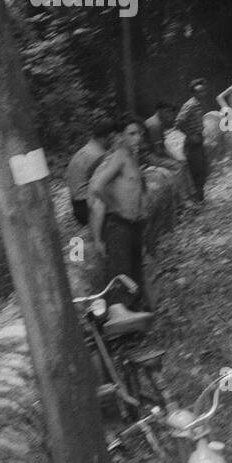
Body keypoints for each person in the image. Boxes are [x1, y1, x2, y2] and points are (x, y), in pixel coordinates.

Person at [89, 117, 154, 317]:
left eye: (140, 134)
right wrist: (115, 207)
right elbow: (97, 187)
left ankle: (134, 317)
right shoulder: (119, 156)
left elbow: (138, 192)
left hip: (134, 225)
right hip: (119, 224)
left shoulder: (133, 158)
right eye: (132, 134)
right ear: (121, 137)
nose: (138, 138)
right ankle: (118, 315)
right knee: (120, 271)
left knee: (134, 272)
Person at [65, 118, 115, 226]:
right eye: (113, 138)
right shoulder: (99, 155)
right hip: (86, 208)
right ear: (108, 136)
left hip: (76, 205)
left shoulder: (87, 149)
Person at [175, 79, 211, 202]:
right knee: (196, 171)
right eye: (199, 92)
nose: (202, 94)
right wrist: (190, 135)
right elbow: (178, 122)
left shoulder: (199, 104)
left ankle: (201, 199)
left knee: (203, 169)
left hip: (199, 140)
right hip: (192, 143)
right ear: (194, 93)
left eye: (203, 91)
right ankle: (197, 201)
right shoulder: (190, 105)